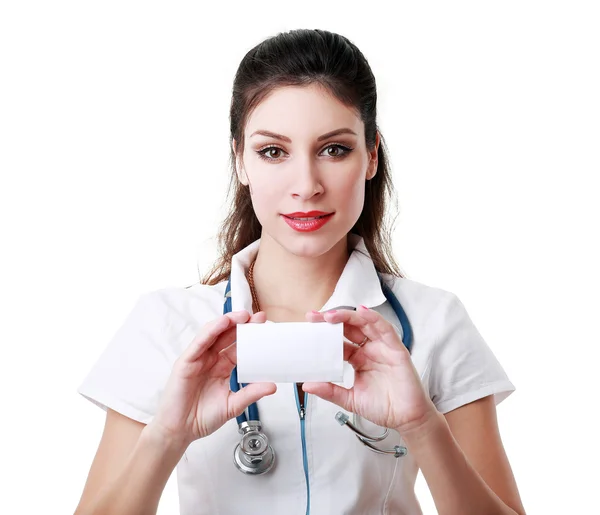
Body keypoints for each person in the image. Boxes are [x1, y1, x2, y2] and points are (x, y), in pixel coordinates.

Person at [74, 29, 526, 515]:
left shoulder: (434, 321)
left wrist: (421, 426)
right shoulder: (166, 324)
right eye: (273, 151)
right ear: (239, 161)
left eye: (334, 149)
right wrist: (166, 436)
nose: (306, 185)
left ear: (371, 155)